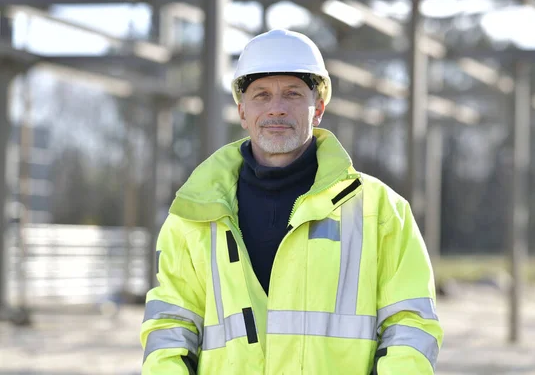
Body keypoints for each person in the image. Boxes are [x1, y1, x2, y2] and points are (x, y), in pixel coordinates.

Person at [140, 29, 443, 374]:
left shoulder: (382, 212)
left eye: (293, 94)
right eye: (262, 95)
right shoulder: (194, 215)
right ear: (242, 111)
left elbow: (411, 326)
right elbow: (170, 327)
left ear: (319, 109)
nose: (277, 109)